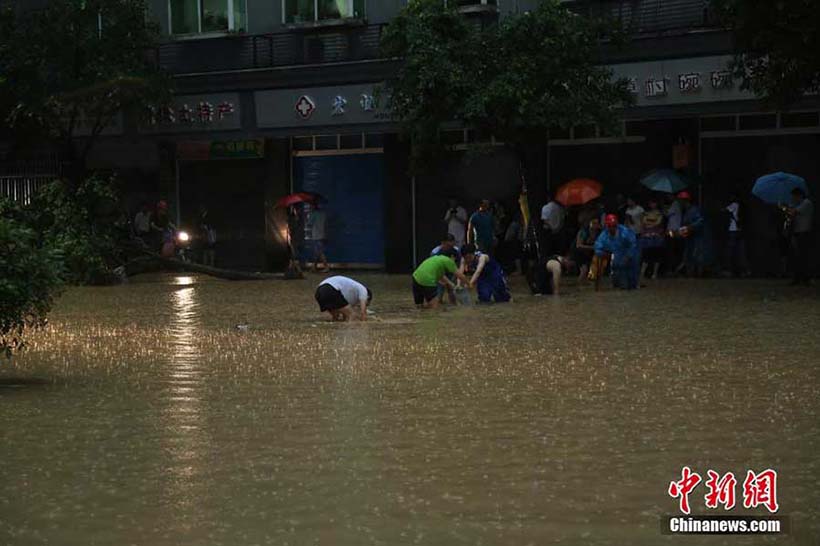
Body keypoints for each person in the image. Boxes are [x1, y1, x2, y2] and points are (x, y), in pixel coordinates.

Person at [594, 214, 641, 290]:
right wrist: (603, 254)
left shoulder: (625, 232)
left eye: (614, 226)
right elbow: (597, 246)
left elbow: (633, 245)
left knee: (632, 281)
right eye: (609, 226)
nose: (612, 228)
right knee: (618, 276)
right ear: (607, 226)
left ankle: (633, 284)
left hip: (631, 255)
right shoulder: (604, 234)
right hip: (617, 256)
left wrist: (628, 256)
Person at [672, 191, 713, 277]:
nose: (679, 204)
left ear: (685, 201)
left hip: (698, 237)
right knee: (689, 255)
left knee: (697, 256)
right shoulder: (686, 212)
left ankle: (699, 274)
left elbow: (700, 222)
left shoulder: (694, 210)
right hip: (690, 237)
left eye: (680, 201)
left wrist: (689, 227)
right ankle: (691, 273)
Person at [785, 187, 814, 285]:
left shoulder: (806, 203)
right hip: (797, 232)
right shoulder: (798, 204)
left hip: (804, 232)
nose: (793, 198)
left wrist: (785, 207)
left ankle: (805, 278)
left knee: (803, 256)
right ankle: (798, 278)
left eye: (794, 196)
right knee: (797, 256)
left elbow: (793, 212)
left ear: (799, 196)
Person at [723, 192, 749, 278]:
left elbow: (724, 210)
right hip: (741, 230)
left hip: (733, 229)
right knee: (741, 251)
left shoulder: (734, 205)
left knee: (731, 251)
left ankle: (730, 270)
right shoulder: (743, 207)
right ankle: (743, 271)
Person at [431, 234, 462, 304]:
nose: (450, 248)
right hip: (439, 274)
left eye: (452, 245)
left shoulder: (456, 250)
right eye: (448, 246)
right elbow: (434, 270)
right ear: (443, 243)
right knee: (438, 297)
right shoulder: (435, 253)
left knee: (453, 294)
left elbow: (459, 265)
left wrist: (455, 279)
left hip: (451, 273)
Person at [640, 198, 666, 279]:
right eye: (651, 203)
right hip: (647, 237)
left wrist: (649, 223)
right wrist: (652, 223)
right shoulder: (646, 213)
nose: (652, 205)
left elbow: (658, 222)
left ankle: (654, 273)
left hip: (656, 237)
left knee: (656, 255)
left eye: (654, 203)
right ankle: (642, 273)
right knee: (646, 254)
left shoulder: (659, 213)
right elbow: (644, 222)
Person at [572, 217, 601, 284]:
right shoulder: (583, 231)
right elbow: (578, 245)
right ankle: (579, 286)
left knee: (587, 269)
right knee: (584, 270)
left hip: (587, 253)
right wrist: (592, 247)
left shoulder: (599, 232)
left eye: (596, 223)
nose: (595, 225)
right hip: (578, 252)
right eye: (593, 223)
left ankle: (583, 283)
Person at [664, 193, 685, 275]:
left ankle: (673, 269)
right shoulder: (676, 204)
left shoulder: (675, 204)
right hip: (673, 229)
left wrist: (663, 208)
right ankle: (673, 269)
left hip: (673, 230)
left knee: (672, 249)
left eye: (669, 196)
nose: (668, 197)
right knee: (673, 249)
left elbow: (666, 214)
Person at [540, 192, 566, 257]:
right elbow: (563, 220)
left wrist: (551, 228)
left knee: (549, 253)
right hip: (559, 232)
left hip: (549, 232)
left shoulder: (545, 207)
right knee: (558, 253)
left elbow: (545, 221)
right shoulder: (560, 208)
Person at [305, 202, 329, 272]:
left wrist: (307, 217)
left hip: (316, 235)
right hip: (323, 235)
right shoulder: (323, 214)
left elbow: (309, 224)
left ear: (313, 207)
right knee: (317, 252)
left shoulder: (313, 214)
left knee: (319, 252)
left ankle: (326, 267)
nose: (309, 208)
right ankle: (313, 267)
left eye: (310, 207)